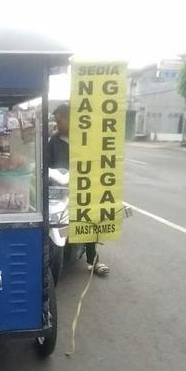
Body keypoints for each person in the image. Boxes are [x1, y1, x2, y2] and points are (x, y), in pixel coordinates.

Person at [49, 103, 109, 276]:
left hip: (82, 189)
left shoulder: (86, 139)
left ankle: (93, 261)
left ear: (71, 120)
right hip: (59, 190)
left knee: (87, 223)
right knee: (56, 223)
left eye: (60, 121)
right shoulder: (54, 140)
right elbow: (47, 163)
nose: (57, 125)